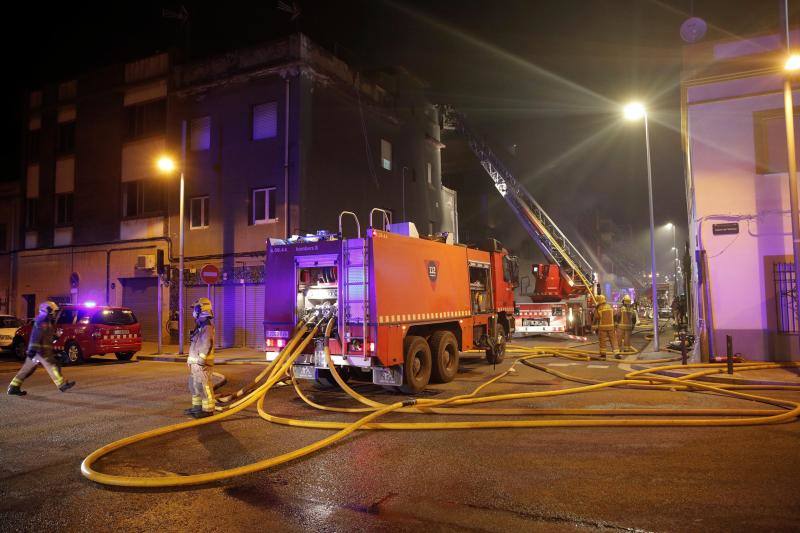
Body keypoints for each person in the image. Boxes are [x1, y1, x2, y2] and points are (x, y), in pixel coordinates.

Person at [7, 301, 75, 395]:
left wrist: (56, 338)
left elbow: (47, 339)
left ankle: (13, 387)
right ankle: (62, 385)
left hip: (39, 351)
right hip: (40, 352)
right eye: (53, 311)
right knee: (53, 366)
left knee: (27, 370)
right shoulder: (41, 321)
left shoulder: (47, 322)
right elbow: (35, 336)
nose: (55, 313)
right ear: (47, 310)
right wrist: (32, 350)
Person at [185, 297, 216, 418]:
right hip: (195, 364)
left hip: (202, 364)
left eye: (195, 309)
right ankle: (197, 408)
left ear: (201, 309)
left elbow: (207, 344)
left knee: (204, 386)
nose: (193, 312)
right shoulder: (200, 326)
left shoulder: (207, 327)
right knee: (194, 386)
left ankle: (208, 410)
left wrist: (202, 359)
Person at [593, 294, 619, 359]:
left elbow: (596, 317)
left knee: (602, 341)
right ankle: (616, 353)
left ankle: (603, 354)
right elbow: (615, 314)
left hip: (602, 327)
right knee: (613, 340)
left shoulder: (599, 308)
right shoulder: (610, 306)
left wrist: (596, 309)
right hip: (611, 326)